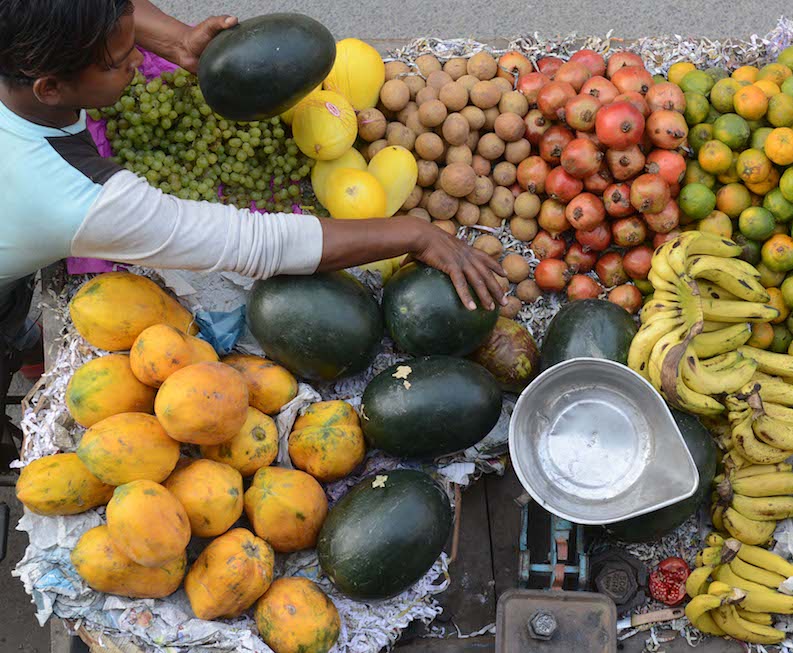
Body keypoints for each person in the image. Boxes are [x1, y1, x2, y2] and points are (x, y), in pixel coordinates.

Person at [0, 0, 505, 451]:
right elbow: (256, 241)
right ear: (49, 87)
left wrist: (176, 40)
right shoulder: (76, 199)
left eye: (134, 42)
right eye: (119, 59)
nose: (138, 60)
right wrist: (414, 233)